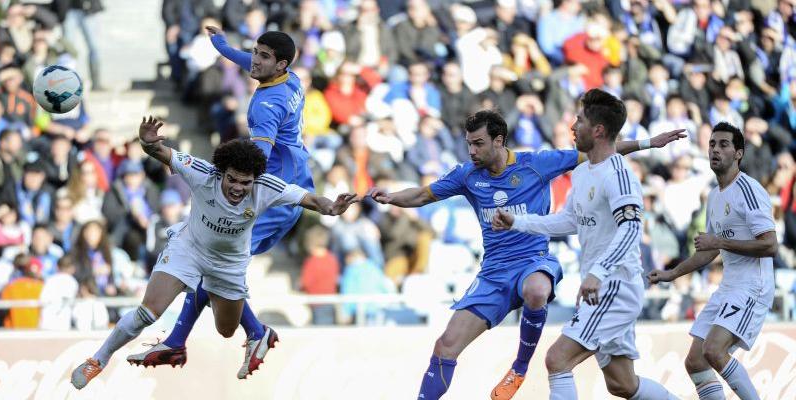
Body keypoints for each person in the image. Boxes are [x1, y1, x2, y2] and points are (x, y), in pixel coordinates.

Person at [366, 106, 684, 400]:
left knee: (536, 291)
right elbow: (422, 195)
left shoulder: (536, 164)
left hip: (534, 261)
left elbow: (597, 153)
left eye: (478, 143)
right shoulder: (467, 175)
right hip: (492, 273)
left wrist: (648, 143)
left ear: (499, 140)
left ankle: (519, 368)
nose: (472, 151)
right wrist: (390, 197)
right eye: (469, 144)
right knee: (445, 346)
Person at [70, 117, 357, 389]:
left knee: (226, 331)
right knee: (148, 312)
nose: (238, 188)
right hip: (189, 250)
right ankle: (99, 359)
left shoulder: (265, 187)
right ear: (221, 173)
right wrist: (147, 143)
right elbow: (161, 152)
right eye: (232, 179)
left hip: (229, 265)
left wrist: (331, 207)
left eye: (245, 183)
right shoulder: (202, 173)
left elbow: (307, 198)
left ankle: (257, 333)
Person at [130, 28, 317, 379]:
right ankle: (236, 334)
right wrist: (222, 47)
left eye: (263, 56)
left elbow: (255, 163)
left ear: (279, 63)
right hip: (294, 181)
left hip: (272, 197)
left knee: (212, 264)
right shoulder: (289, 79)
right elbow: (251, 61)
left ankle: (198, 338)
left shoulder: (265, 106)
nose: (255, 59)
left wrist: (222, 184)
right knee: (212, 265)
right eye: (255, 52)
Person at [492, 89, 678, 400]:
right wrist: (519, 222)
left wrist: (599, 272)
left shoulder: (618, 173)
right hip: (599, 285)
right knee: (622, 384)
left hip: (615, 284)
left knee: (557, 359)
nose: (572, 126)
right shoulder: (582, 172)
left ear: (599, 130)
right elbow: (568, 221)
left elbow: (631, 228)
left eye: (579, 120)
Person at [648, 122, 777, 400]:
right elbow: (708, 252)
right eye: (712, 144)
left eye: (724, 144)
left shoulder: (749, 190)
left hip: (753, 287)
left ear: (739, 153)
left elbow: (770, 245)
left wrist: (719, 242)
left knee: (714, 350)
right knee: (695, 361)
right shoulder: (715, 196)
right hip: (729, 287)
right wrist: (673, 273)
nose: (715, 150)